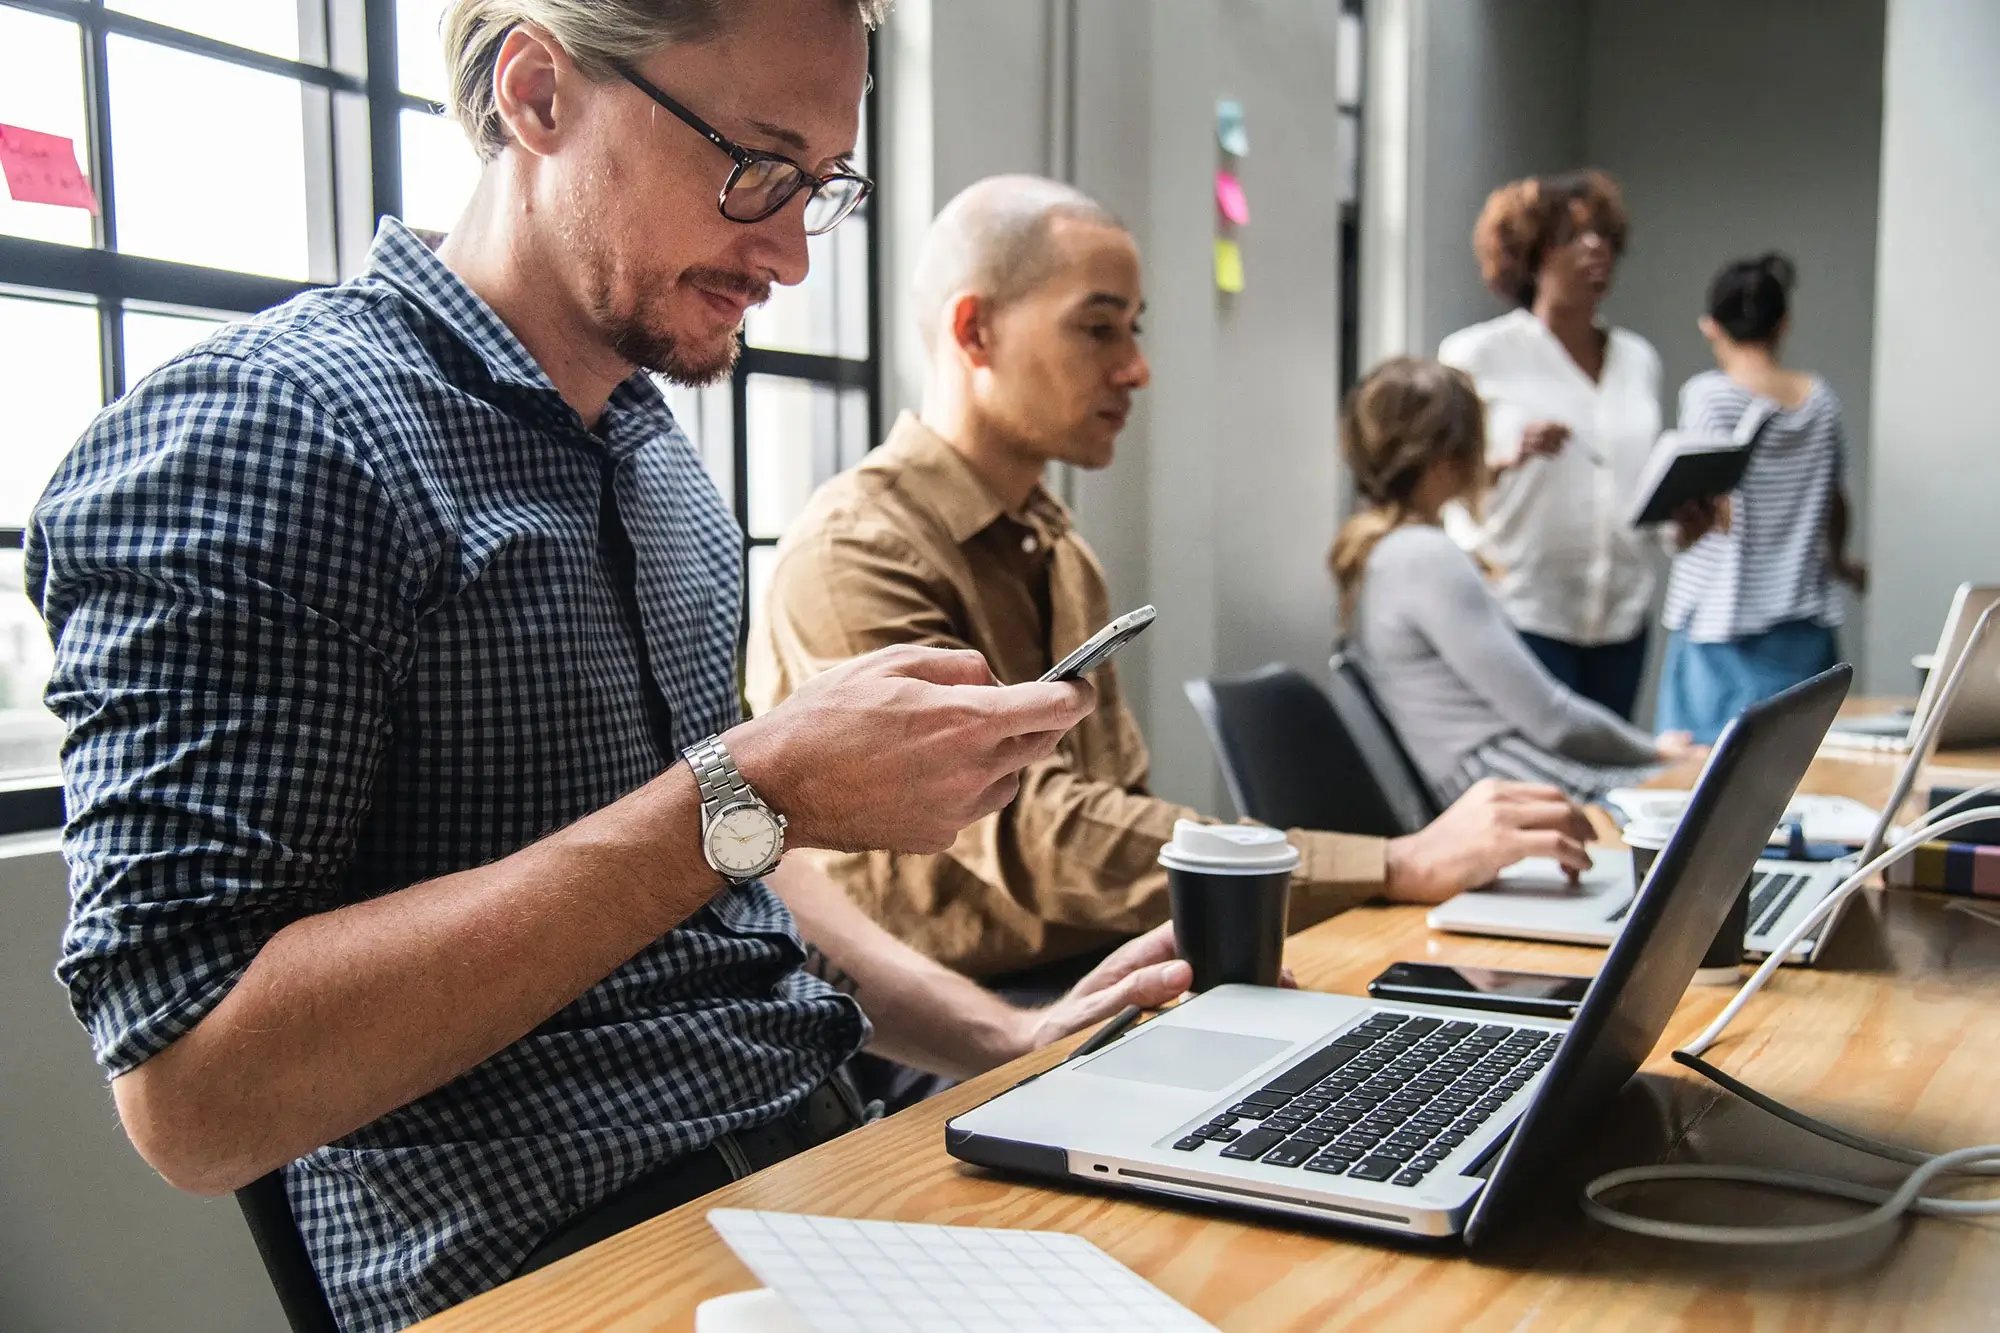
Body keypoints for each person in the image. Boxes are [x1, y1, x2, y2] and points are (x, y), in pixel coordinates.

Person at [24, 6, 1198, 1329]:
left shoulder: (660, 470)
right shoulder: (271, 436)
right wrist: (743, 795)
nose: (791, 256)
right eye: (753, 162)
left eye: (821, 186)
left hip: (810, 1166)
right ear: (536, 94)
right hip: (555, 1255)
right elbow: (192, 1097)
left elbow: (737, 859)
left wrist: (997, 1038)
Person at [747, 175, 1596, 1040]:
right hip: (945, 1023)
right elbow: (1031, 833)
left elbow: (1111, 805)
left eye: (1135, 329)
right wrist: (1391, 861)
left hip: (1096, 969)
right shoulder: (855, 551)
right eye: (1098, 326)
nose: (1136, 366)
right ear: (975, 331)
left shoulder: (1056, 541)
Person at [1332, 357, 1697, 804]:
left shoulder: (1385, 551)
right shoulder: (1424, 556)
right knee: (1714, 803)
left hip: (1502, 780)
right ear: (1450, 459)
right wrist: (1658, 753)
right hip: (1509, 787)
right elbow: (1552, 719)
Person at [1439, 170, 1663, 720]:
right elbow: (1439, 480)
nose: (1596, 249)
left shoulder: (1639, 360)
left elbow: (1635, 482)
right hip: (1522, 613)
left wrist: (1685, 515)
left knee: (1606, 785)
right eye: (1573, 236)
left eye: (1605, 237)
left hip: (1620, 615)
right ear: (1531, 255)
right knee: (1538, 787)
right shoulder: (1476, 356)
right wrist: (1508, 457)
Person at [1656, 254, 1867, 742]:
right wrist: (1837, 561)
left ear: (1710, 326)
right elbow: (1835, 501)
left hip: (1719, 622)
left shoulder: (1710, 396)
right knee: (1797, 769)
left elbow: (1701, 499)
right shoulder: (1821, 401)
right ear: (1783, 324)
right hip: (1801, 621)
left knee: (1701, 782)